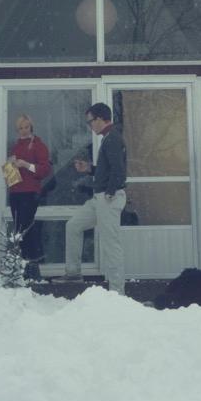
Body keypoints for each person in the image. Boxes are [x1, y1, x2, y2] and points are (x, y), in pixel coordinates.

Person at [63, 103, 127, 295]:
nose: (90, 125)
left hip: (109, 197)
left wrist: (110, 192)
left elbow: (119, 170)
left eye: (90, 121)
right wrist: (89, 169)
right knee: (73, 225)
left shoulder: (113, 139)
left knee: (111, 244)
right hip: (100, 198)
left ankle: (118, 293)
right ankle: (73, 272)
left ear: (100, 119)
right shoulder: (108, 139)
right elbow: (108, 169)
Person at [6, 114, 53, 280]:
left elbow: (44, 170)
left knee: (27, 229)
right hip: (15, 192)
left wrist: (25, 164)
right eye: (20, 128)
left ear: (31, 127)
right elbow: (11, 176)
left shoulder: (38, 145)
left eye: (26, 127)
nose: (24, 130)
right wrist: (8, 168)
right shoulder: (16, 146)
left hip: (30, 192)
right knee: (19, 230)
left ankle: (33, 268)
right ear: (17, 130)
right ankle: (24, 268)